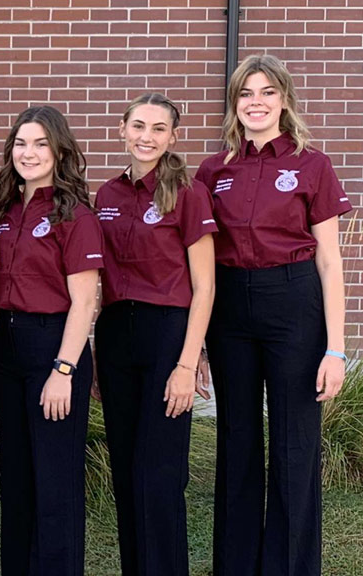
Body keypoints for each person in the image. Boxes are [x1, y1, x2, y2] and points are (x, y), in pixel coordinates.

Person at [195, 54, 350, 576]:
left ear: (284, 99)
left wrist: (335, 347)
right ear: (234, 104)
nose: (255, 102)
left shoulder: (312, 165)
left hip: (294, 303)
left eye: (266, 92)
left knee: (294, 442)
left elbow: (330, 262)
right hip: (231, 308)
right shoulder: (213, 170)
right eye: (245, 94)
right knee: (237, 439)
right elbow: (199, 262)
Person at [93, 93, 216, 576]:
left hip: (168, 333)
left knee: (160, 473)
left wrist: (188, 362)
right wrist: (99, 359)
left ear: (173, 136)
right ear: (122, 128)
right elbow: (100, 286)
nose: (147, 136)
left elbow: (204, 286)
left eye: (158, 128)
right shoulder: (105, 195)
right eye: (139, 126)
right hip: (117, 334)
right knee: (126, 471)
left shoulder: (187, 191)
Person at [0, 105, 102, 575]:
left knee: (55, 483)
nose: (28, 153)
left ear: (59, 151)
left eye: (40, 143)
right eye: (21, 143)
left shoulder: (75, 215)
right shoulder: (5, 213)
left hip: (55, 349)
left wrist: (64, 370)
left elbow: (85, 302)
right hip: (8, 351)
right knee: (20, 482)